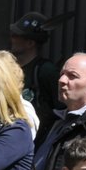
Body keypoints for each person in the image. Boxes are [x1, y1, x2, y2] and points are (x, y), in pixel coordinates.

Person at [9, 11, 62, 143]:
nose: (12, 39)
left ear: (30, 43)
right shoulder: (8, 69)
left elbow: (60, 109)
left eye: (17, 35)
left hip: (38, 141)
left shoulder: (46, 71)